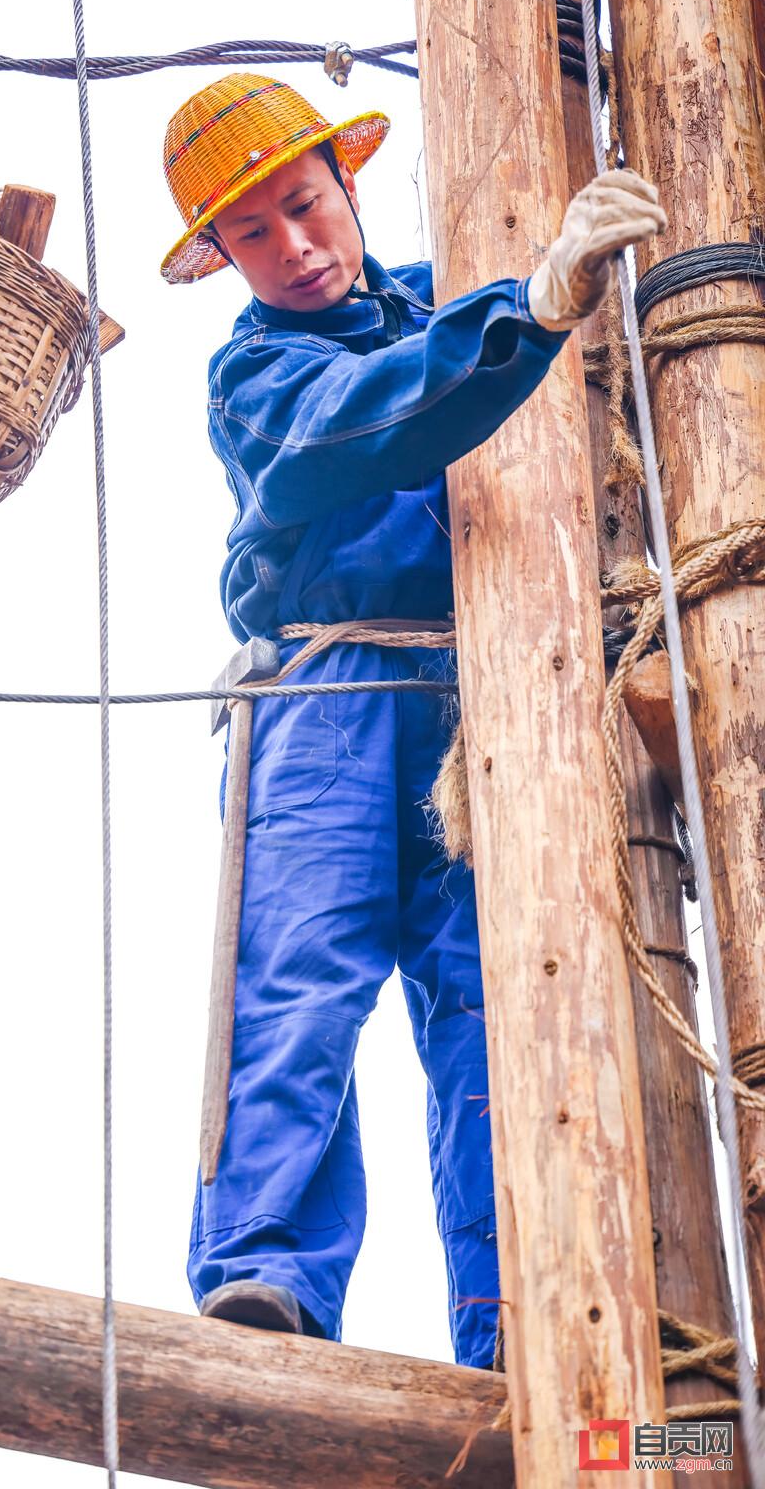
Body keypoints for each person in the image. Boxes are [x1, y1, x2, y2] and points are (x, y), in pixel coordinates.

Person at [160, 72, 666, 1367]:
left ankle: (520, 1320)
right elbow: (366, 421)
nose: (296, 247)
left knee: (500, 996)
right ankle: (267, 1281)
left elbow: (553, 382)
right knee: (301, 981)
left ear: (347, 181)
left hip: (493, 686)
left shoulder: (463, 291)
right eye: (254, 234)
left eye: (304, 204)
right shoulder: (258, 371)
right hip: (330, 696)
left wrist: (575, 305)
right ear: (220, 257)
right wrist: (533, 307)